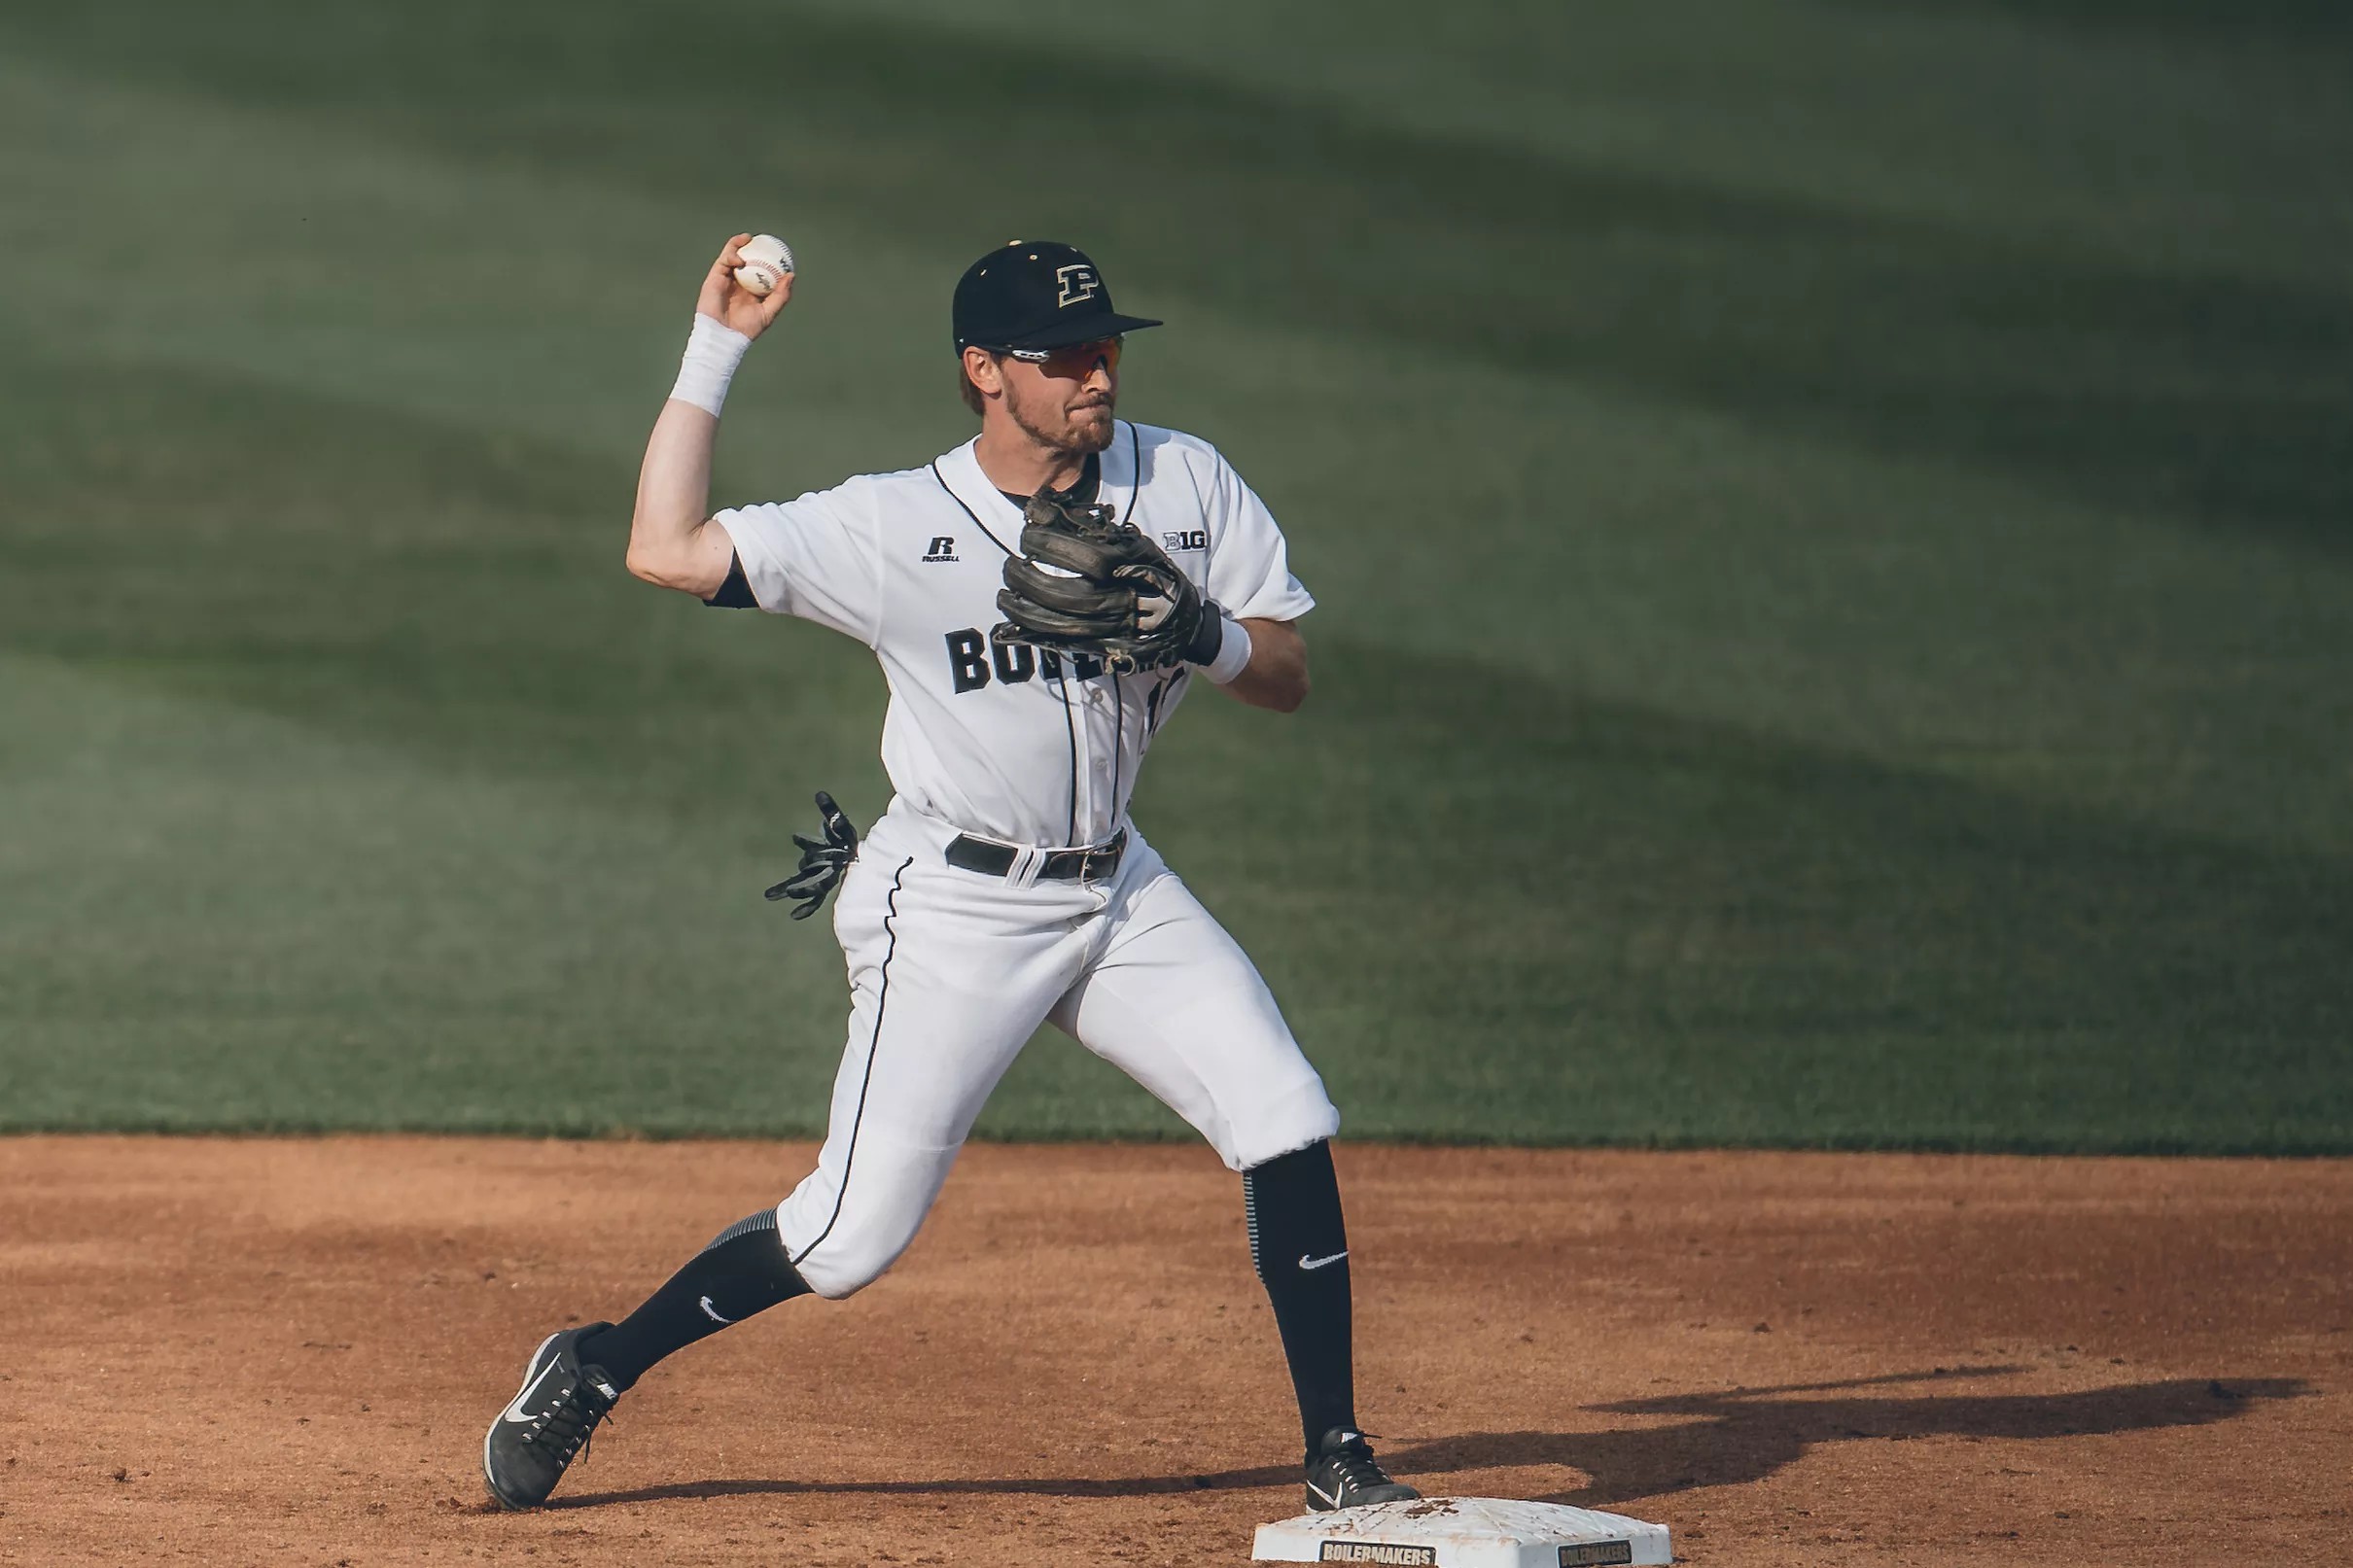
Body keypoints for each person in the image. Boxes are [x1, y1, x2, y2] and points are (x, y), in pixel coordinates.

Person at [480, 236, 1419, 1518]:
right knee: (848, 1237)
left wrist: (1199, 631)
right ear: (986, 371)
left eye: (1108, 348)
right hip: (955, 905)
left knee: (1284, 1110)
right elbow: (666, 546)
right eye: (1065, 356)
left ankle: (1339, 1453)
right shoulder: (895, 525)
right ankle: (593, 1367)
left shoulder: (1184, 480)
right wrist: (720, 346)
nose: (1098, 374)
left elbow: (1286, 671)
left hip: (1118, 891)